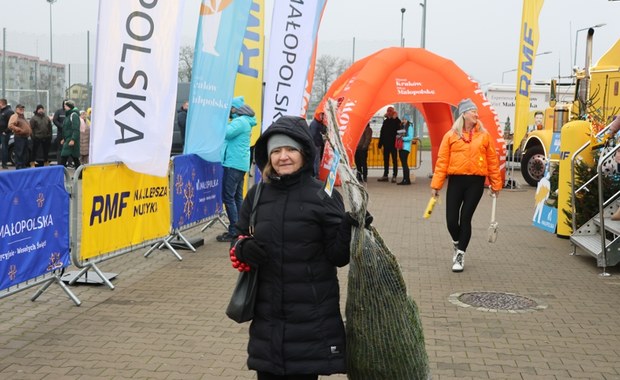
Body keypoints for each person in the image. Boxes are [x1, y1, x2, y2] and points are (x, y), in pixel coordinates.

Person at [231, 115, 362, 380]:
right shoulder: (256, 195)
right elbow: (238, 240)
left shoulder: (322, 196)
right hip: (267, 321)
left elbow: (338, 256)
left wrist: (348, 227)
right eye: (276, 151)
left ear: (303, 153)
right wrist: (244, 249)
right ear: (268, 157)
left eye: (290, 149)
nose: (283, 156)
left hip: (309, 321)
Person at [430, 98, 502, 272]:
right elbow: (442, 162)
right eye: (473, 111)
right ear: (464, 114)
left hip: (475, 183)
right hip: (456, 181)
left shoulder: (484, 136)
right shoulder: (451, 135)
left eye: (477, 111)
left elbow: (492, 161)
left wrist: (495, 184)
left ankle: (460, 254)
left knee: (465, 218)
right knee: (451, 221)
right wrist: (436, 185)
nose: (476, 115)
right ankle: (457, 243)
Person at [216, 96, 257, 243]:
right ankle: (241, 227)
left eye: (231, 108)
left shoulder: (240, 121)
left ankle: (234, 230)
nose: (229, 111)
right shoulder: (246, 121)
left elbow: (225, 133)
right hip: (239, 163)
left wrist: (218, 120)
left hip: (233, 164)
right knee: (237, 197)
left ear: (236, 109)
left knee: (228, 197)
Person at [377, 106, 400, 182]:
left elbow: (399, 130)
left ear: (393, 112)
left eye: (390, 111)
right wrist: (380, 143)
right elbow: (382, 133)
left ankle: (394, 175)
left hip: (393, 144)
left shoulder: (397, 121)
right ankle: (385, 175)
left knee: (394, 160)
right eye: (388, 111)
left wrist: (395, 118)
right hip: (386, 144)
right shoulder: (385, 121)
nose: (389, 113)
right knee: (386, 160)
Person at [8, 104, 32, 169]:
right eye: (20, 109)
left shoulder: (22, 117)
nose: (22, 110)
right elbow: (10, 125)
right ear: (17, 109)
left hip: (25, 137)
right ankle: (19, 167)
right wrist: (19, 129)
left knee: (24, 153)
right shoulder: (15, 116)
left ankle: (23, 166)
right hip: (19, 137)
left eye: (23, 109)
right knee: (19, 153)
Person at [59, 100, 81, 168]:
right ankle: (80, 174)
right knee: (75, 158)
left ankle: (59, 174)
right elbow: (66, 129)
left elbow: (76, 129)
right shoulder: (68, 116)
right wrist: (63, 138)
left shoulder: (73, 115)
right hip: (68, 140)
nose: (64, 107)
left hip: (71, 140)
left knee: (63, 156)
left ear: (69, 107)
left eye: (65, 106)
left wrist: (73, 139)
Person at [396, 118, 414, 185]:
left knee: (404, 164)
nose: (403, 121)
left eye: (405, 119)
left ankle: (406, 179)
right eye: (402, 119)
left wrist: (402, 138)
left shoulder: (409, 127)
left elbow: (410, 137)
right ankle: (406, 179)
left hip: (405, 148)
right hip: (401, 147)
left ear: (407, 120)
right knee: (404, 164)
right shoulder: (402, 126)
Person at [308, 111, 327, 176]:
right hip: (315, 144)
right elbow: (313, 135)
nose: (323, 117)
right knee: (316, 160)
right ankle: (315, 174)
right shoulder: (315, 123)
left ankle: (315, 174)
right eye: (322, 115)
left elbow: (324, 131)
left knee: (317, 159)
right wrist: (318, 142)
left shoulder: (319, 123)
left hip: (317, 144)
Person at [0, 98, 15, 169]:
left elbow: (11, 123)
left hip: (5, 134)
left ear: (2, 103)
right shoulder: (1, 111)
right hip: (1, 133)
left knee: (4, 148)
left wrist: (5, 132)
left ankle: (4, 163)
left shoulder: (9, 112)